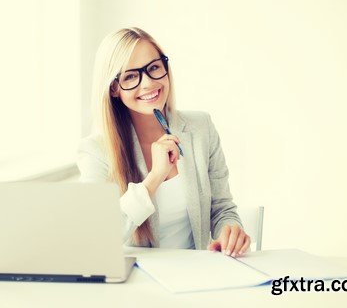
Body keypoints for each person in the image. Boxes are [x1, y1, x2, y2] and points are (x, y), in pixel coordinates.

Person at [77, 27, 250, 257]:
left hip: (199, 276)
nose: (148, 83)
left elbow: (222, 209)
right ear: (114, 88)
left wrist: (230, 231)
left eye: (154, 68)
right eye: (130, 76)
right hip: (139, 284)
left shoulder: (201, 128)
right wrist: (154, 178)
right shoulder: (95, 151)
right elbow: (96, 237)